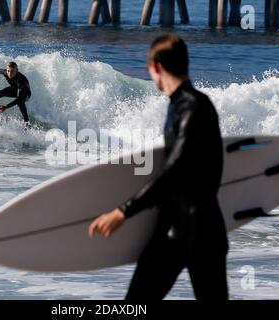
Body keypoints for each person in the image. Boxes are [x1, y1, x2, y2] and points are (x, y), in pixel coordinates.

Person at [88, 34, 229, 300]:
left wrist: (123, 212)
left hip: (199, 233)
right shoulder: (181, 106)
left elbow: (177, 169)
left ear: (156, 66)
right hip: (179, 231)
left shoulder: (193, 107)